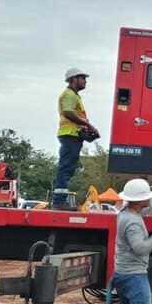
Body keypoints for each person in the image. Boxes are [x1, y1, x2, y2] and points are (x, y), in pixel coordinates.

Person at [52, 68, 98, 208]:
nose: (85, 81)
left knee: (69, 168)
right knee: (66, 167)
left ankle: (60, 199)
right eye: (82, 78)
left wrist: (85, 127)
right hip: (69, 134)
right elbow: (68, 112)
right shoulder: (69, 95)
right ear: (72, 79)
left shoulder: (74, 96)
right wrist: (87, 124)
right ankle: (59, 201)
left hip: (73, 134)